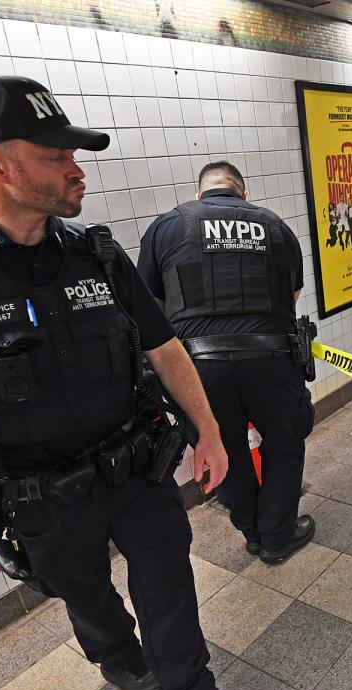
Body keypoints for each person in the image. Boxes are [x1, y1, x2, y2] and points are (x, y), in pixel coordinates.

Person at [0, 76, 268, 690]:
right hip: (38, 498)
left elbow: (165, 347)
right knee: (81, 590)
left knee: (168, 580)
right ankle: (117, 654)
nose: (74, 169)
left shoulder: (95, 256)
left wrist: (210, 430)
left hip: (135, 469)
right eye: (55, 156)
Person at [138, 161, 316, 564]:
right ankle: (276, 536)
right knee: (285, 444)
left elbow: (150, 308)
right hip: (273, 360)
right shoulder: (275, 227)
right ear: (243, 194)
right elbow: (291, 298)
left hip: (199, 369)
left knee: (222, 447)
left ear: (199, 194)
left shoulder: (167, 227)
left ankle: (253, 533)